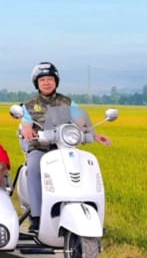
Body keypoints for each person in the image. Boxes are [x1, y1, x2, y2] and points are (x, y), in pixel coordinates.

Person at [20, 62, 112, 232]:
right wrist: (26, 128)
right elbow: (25, 123)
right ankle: (37, 216)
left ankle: (88, 213)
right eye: (43, 80)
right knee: (33, 168)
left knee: (82, 169)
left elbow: (82, 120)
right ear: (37, 83)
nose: (46, 82)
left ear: (56, 81)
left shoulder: (67, 102)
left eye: (50, 79)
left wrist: (95, 135)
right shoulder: (30, 104)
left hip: (63, 147)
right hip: (40, 147)